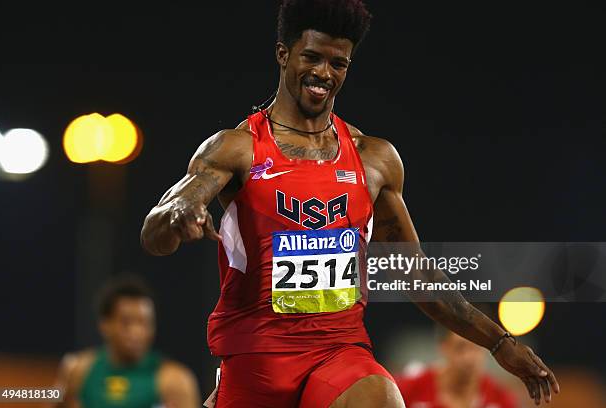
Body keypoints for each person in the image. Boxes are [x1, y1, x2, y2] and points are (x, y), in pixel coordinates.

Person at [140, 1, 559, 406]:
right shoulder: (237, 149)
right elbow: (156, 233)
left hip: (338, 350)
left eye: (338, 63)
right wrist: (178, 215)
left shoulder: (374, 159)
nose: (324, 73)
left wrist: (498, 343)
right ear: (283, 55)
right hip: (257, 358)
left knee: (381, 398)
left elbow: (414, 273)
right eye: (312, 57)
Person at [53, 276, 201, 408]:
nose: (136, 332)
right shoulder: (78, 371)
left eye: (144, 323)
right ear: (105, 325)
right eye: (126, 322)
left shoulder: (175, 381)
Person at [395, 326, 518, 408]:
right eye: (460, 348)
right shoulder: (407, 390)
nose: (469, 357)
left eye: (476, 348)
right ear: (444, 347)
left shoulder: (502, 399)